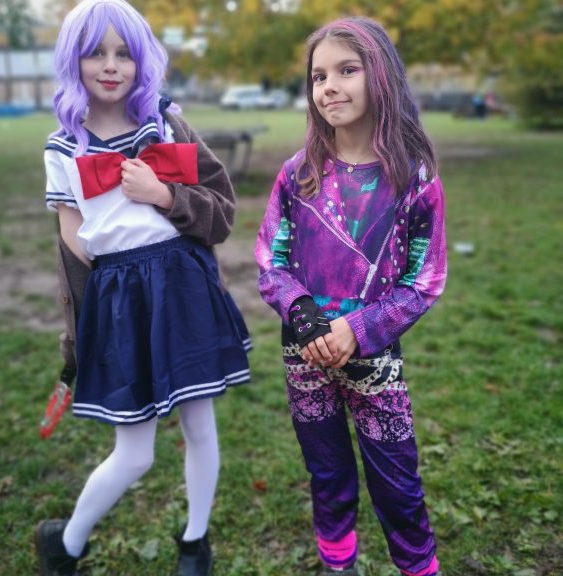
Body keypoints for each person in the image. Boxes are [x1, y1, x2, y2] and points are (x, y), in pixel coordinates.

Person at [34, 1, 251, 575]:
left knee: (200, 427)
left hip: (183, 287)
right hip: (121, 302)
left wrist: (163, 196)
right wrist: (87, 325)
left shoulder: (166, 120)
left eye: (124, 53)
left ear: (142, 60)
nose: (111, 66)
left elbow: (222, 213)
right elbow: (73, 245)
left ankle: (195, 541)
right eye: (96, 53)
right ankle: (65, 542)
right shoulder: (64, 149)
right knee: (133, 454)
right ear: (72, 61)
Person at [255, 17, 447, 576]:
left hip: (374, 361)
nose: (329, 86)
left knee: (398, 487)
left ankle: (418, 567)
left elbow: (424, 280)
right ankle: (338, 565)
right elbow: (272, 261)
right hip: (305, 355)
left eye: (346, 70)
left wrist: (358, 331)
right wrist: (307, 321)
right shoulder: (298, 175)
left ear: (380, 75)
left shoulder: (413, 177)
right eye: (318, 76)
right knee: (329, 476)